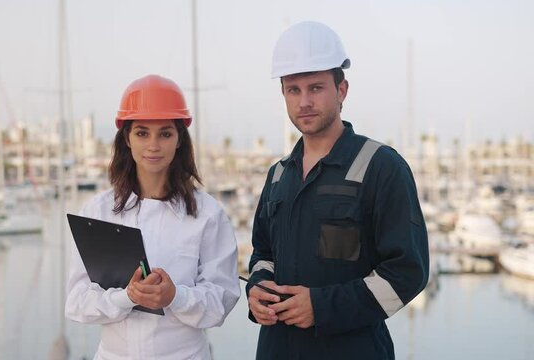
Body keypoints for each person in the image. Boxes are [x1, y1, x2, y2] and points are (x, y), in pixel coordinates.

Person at [246, 21, 429, 359]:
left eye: (316, 88)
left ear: (342, 90)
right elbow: (264, 254)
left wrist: (322, 307)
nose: (304, 102)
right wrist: (258, 290)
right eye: (293, 89)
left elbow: (407, 273)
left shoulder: (381, 167)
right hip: (277, 349)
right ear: (283, 93)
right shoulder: (277, 176)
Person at [65, 74, 240, 360]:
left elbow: (222, 300)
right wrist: (127, 297)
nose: (154, 145)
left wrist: (175, 297)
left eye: (165, 133)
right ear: (127, 139)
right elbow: (76, 301)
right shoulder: (97, 212)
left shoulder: (208, 215)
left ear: (180, 139)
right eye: (142, 133)